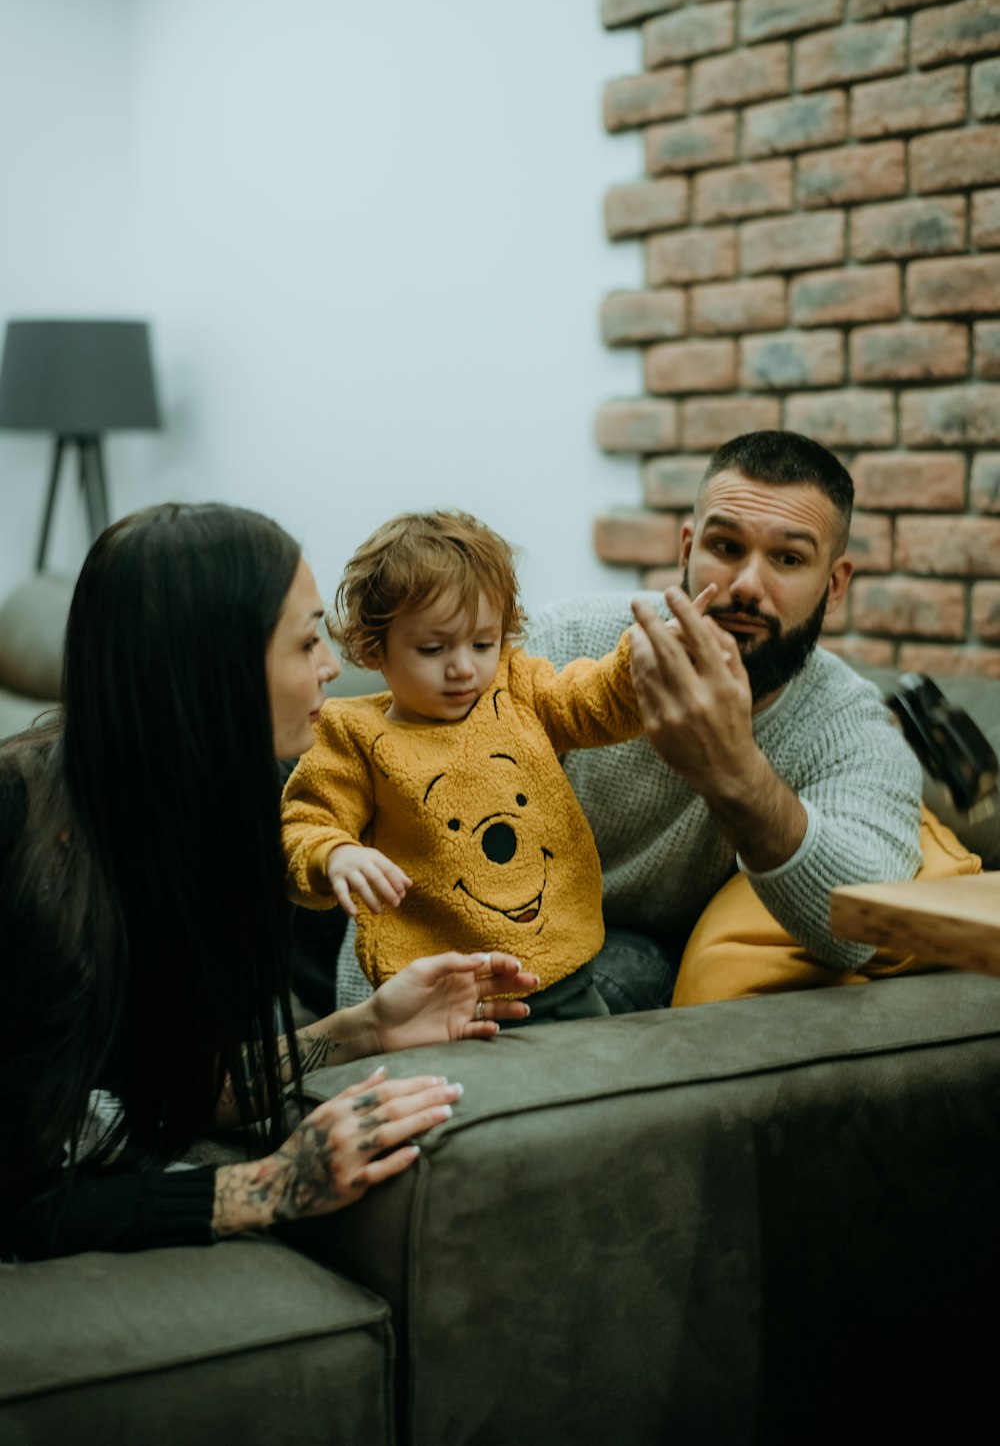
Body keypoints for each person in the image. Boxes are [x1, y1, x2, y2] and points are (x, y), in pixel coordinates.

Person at [0, 503, 536, 1261]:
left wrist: (366, 1029)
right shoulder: (21, 840)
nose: (329, 666)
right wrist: (269, 1187)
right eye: (306, 639)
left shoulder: (226, 807)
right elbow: (19, 1196)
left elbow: (167, 1095)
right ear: (212, 667)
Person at [526, 430, 925, 1012]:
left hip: (629, 957)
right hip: (489, 918)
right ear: (688, 549)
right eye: (726, 546)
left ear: (834, 585)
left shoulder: (853, 728)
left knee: (620, 973)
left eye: (788, 558)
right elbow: (415, 805)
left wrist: (734, 773)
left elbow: (860, 929)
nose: (746, 586)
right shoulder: (563, 642)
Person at [281, 511, 692, 1021]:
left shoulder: (516, 689)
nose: (463, 667)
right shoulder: (351, 736)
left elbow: (589, 702)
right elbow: (305, 822)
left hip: (564, 978)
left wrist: (641, 662)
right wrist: (335, 855)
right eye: (433, 648)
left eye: (482, 643)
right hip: (438, 1001)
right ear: (373, 647)